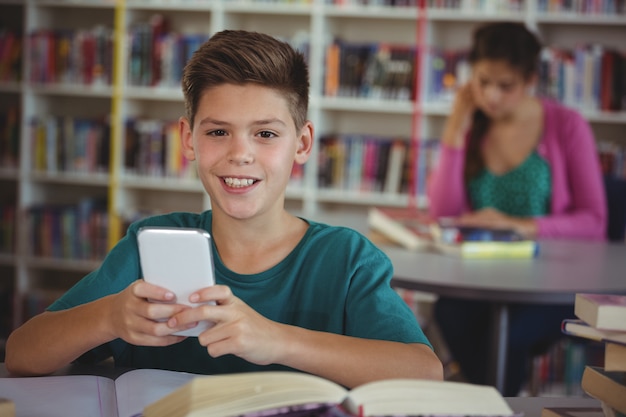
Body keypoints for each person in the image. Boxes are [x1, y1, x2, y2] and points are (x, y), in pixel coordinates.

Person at [5, 30, 443, 387]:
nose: (240, 154)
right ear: (189, 139)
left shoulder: (347, 259)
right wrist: (108, 316)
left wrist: (275, 340)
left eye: (266, 135)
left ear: (303, 143)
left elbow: (424, 372)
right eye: (218, 132)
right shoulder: (148, 246)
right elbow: (21, 355)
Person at [426, 22, 607, 395]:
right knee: (447, 312)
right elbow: (443, 211)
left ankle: (487, 401)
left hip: (552, 281)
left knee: (502, 334)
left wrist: (520, 225)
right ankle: (494, 401)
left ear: (528, 80)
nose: (491, 95)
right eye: (483, 81)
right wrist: (455, 126)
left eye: (505, 85)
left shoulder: (566, 125)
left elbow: (595, 221)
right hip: (481, 276)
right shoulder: (474, 124)